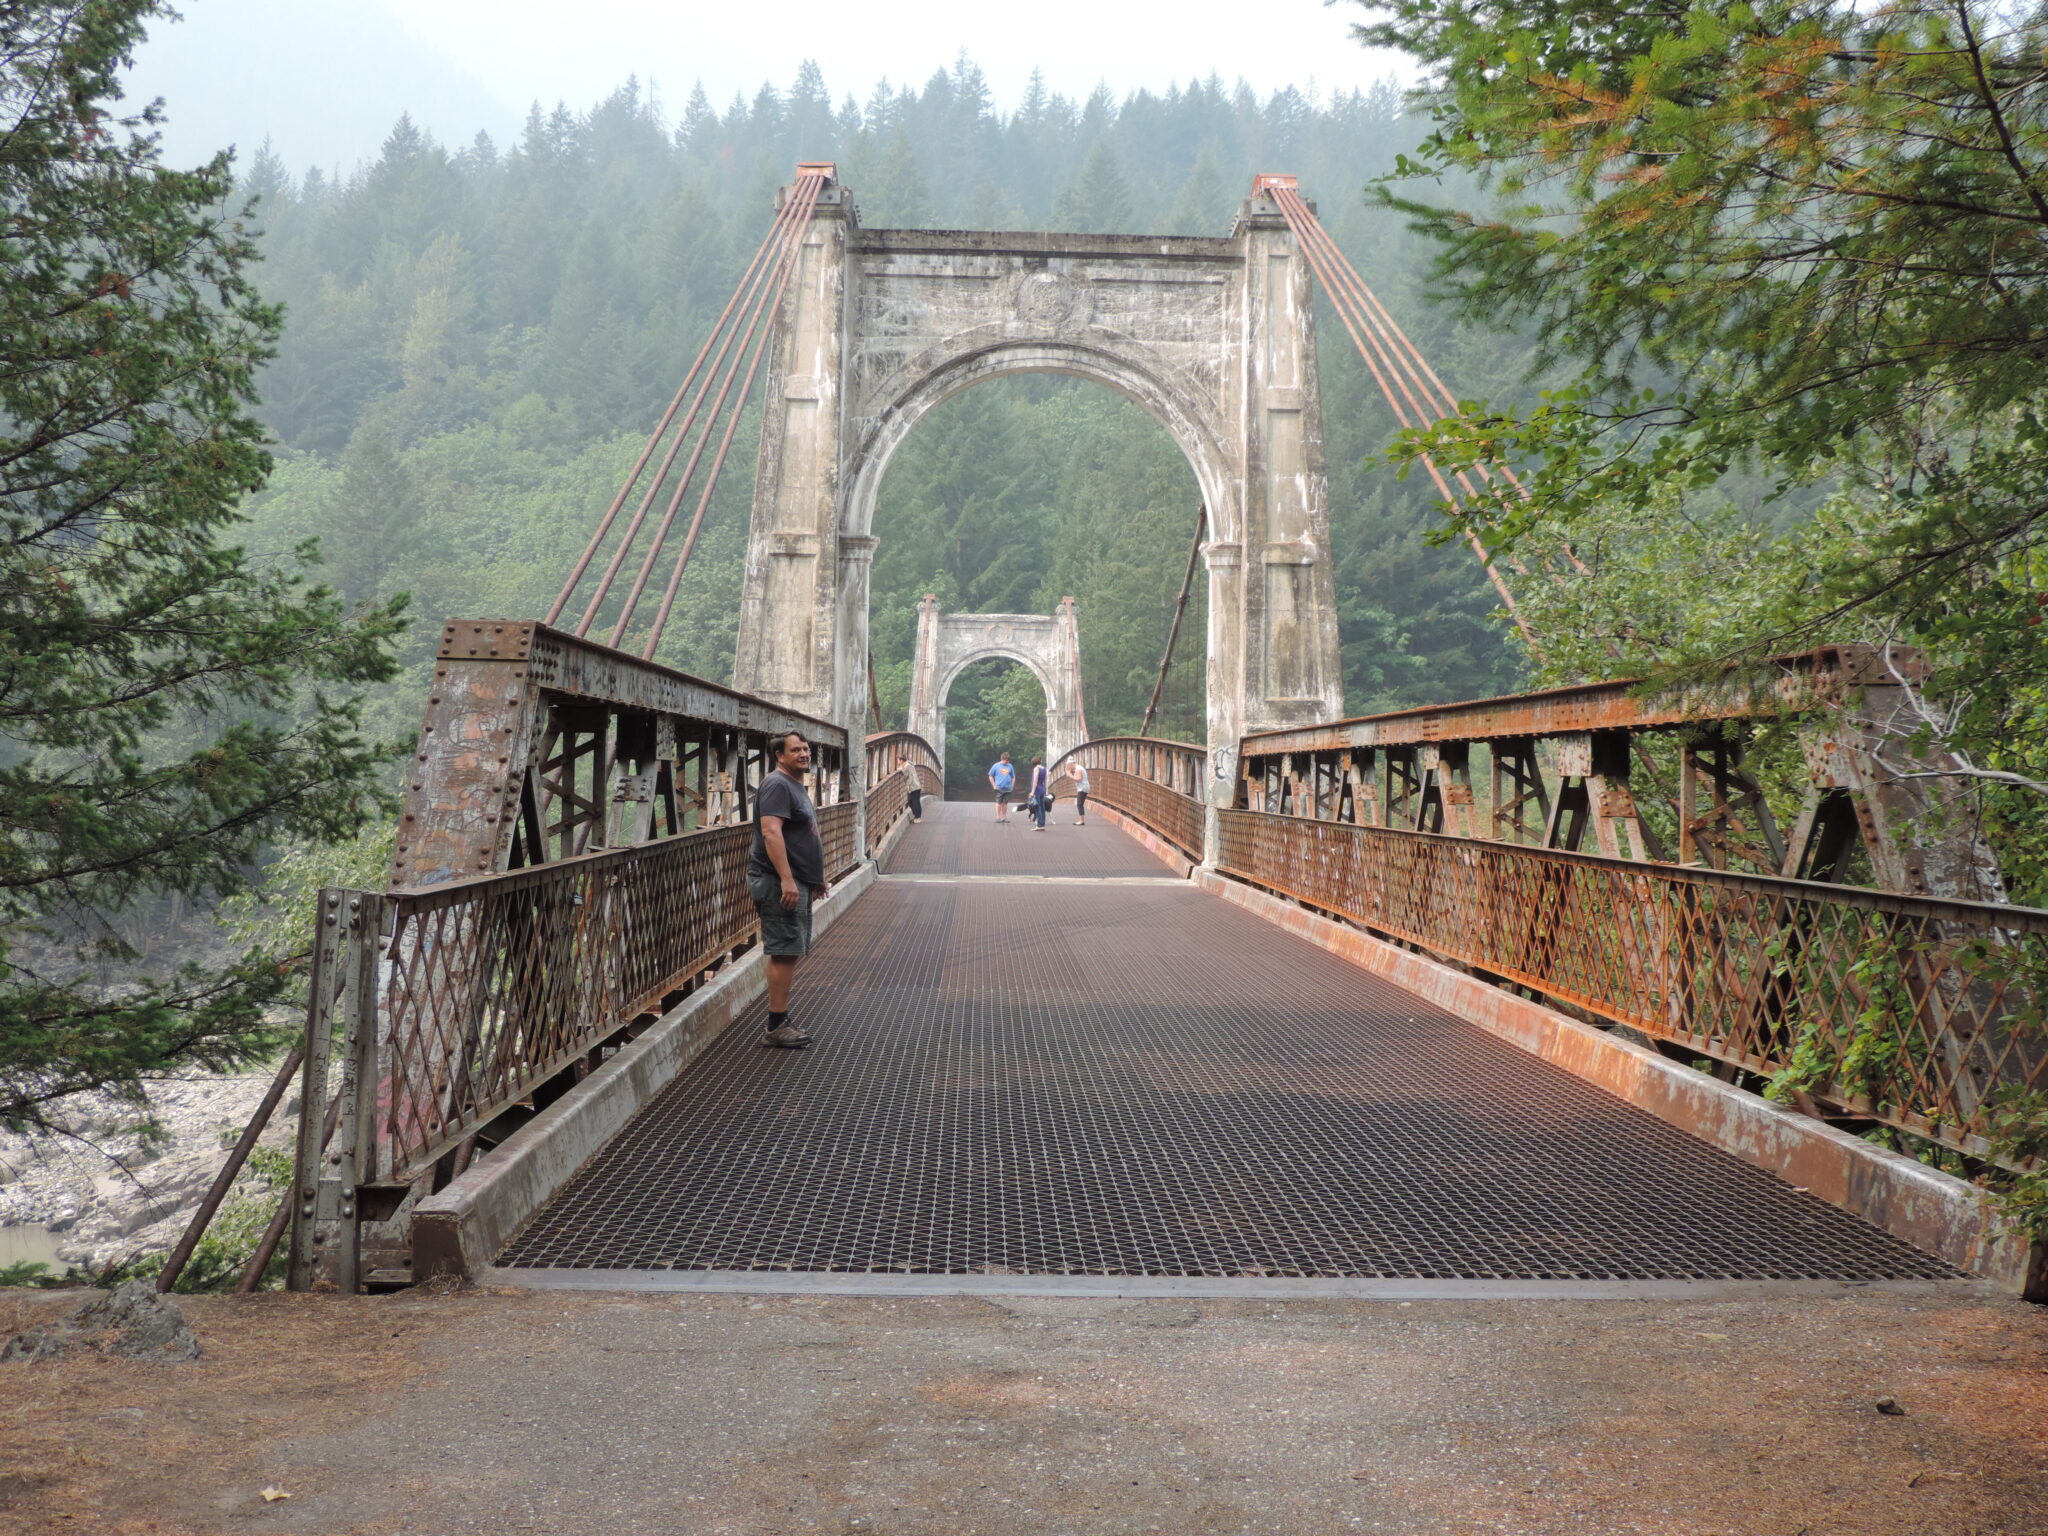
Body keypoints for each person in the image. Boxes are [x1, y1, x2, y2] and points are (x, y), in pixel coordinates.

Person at [748, 732, 829, 1049]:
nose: (804, 753)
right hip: (776, 880)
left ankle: (779, 1019)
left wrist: (814, 877)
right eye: (796, 749)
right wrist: (786, 879)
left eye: (806, 748)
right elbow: (771, 833)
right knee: (783, 950)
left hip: (795, 879)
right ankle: (776, 1025)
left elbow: (800, 837)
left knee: (789, 949)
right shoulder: (778, 784)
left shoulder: (794, 784)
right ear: (779, 755)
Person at [988, 751, 1015, 823]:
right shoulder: (996, 765)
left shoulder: (1010, 766)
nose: (1007, 762)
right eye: (1006, 760)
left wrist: (1012, 785)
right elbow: (990, 775)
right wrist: (994, 785)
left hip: (1008, 788)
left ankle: (1004, 817)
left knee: (1005, 803)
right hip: (999, 787)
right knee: (999, 802)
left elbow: (1013, 776)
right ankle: (998, 817)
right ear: (1002, 759)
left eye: (1008, 760)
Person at [1027, 755, 1050, 830]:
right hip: (1042, 789)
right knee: (1042, 807)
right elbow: (1046, 781)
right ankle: (1042, 825)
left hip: (1037, 790)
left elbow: (1035, 781)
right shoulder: (1044, 769)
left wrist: (1032, 792)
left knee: (1037, 808)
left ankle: (1039, 826)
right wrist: (1046, 791)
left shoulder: (1036, 768)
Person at [1068, 760, 1090, 825]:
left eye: (1069, 766)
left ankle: (1081, 820)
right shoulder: (1078, 768)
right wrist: (1071, 773)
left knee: (1079, 804)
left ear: (1072, 764)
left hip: (1083, 787)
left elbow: (1079, 779)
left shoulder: (1078, 769)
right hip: (1083, 787)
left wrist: (1070, 776)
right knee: (1080, 804)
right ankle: (1081, 820)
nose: (1069, 768)